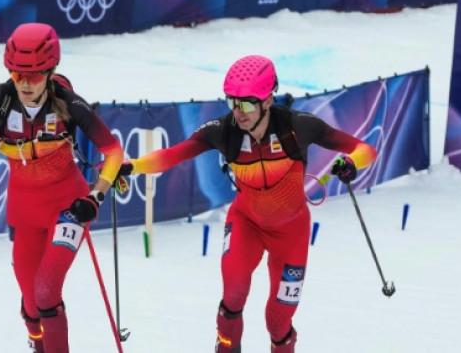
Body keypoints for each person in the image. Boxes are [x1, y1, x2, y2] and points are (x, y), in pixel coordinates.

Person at [116, 55, 377, 353]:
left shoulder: (297, 126)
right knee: (234, 296)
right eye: (233, 103)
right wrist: (131, 166)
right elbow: (174, 154)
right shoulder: (222, 130)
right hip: (247, 223)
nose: (239, 113)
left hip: (291, 234)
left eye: (248, 104)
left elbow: (365, 149)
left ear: (268, 101)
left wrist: (351, 163)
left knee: (278, 322)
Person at [0, 22, 125, 353]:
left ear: (51, 71)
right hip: (24, 212)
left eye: (35, 75)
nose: (25, 83)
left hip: (70, 206)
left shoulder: (68, 102)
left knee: (46, 291)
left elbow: (113, 152)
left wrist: (94, 198)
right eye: (17, 74)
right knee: (30, 300)